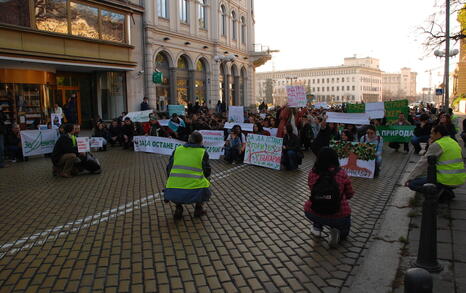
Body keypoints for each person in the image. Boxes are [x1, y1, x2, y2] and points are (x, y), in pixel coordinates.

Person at [304, 147, 355, 247]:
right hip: (338, 214)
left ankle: (317, 228)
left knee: (314, 205)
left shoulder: (313, 173)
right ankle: (335, 231)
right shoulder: (341, 173)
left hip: (315, 211)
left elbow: (313, 190)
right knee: (344, 233)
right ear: (335, 158)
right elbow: (350, 193)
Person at [405, 124, 466, 202]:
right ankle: (445, 190)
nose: (430, 136)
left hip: (446, 179)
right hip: (459, 178)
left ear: (438, 134)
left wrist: (409, 178)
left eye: (432, 133)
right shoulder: (453, 142)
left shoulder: (438, 144)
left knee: (412, 183)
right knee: (422, 176)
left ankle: (438, 193)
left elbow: (422, 163)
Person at [164, 131, 211, 219]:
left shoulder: (178, 149)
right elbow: (207, 171)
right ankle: (198, 208)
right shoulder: (202, 152)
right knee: (207, 180)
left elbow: (169, 168)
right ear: (201, 142)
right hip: (195, 189)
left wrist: (169, 180)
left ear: (189, 140)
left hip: (173, 189)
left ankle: (178, 208)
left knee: (174, 181)